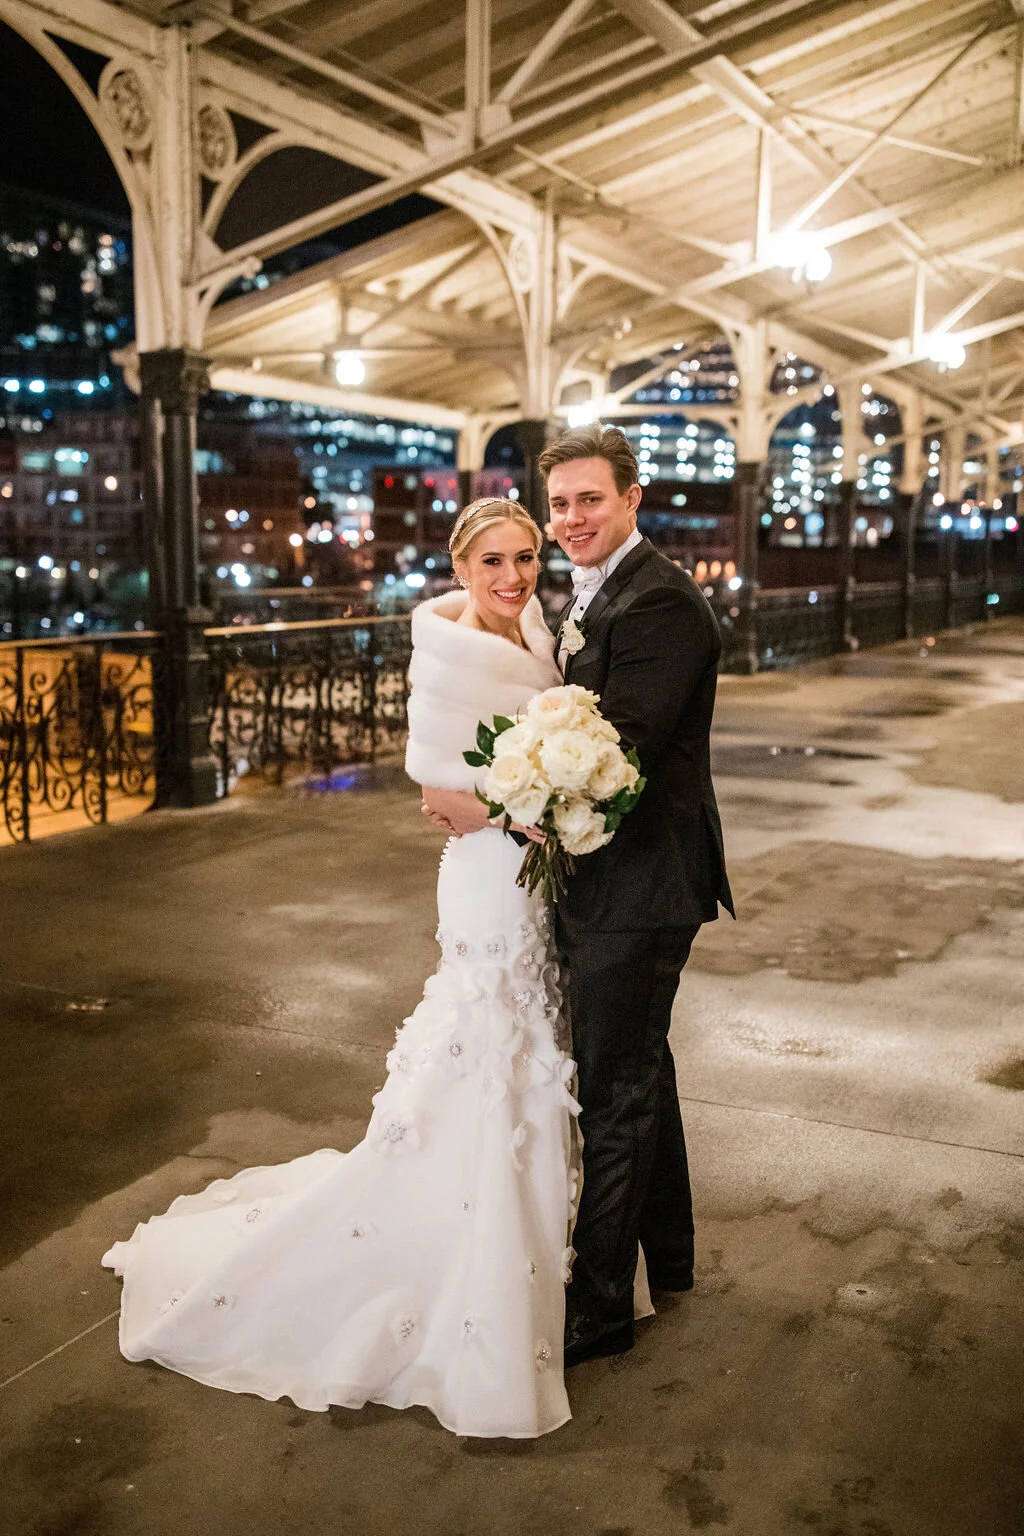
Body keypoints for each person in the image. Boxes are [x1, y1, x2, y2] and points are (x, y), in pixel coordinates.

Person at [102, 498, 602, 1438]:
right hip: (492, 874)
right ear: (460, 566)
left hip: (536, 873)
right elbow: (439, 790)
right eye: (493, 559)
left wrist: (563, 801)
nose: (513, 575)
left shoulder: (541, 631)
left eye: (526, 557)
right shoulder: (449, 647)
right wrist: (521, 815)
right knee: (490, 1041)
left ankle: (527, 1251)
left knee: (533, 1039)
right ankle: (470, 1265)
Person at [541, 423, 734, 1368]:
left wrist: (510, 799)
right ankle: (676, 1257)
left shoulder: (656, 603)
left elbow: (619, 759)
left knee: (611, 1090)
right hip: (620, 880)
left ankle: (600, 1309)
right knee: (638, 1068)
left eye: (589, 499)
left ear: (631, 499)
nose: (572, 518)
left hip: (641, 881)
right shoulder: (605, 591)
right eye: (560, 503)